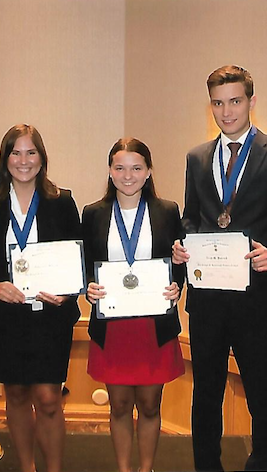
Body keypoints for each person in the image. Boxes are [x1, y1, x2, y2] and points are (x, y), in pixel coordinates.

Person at [172, 65, 267, 471]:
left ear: (251, 101)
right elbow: (192, 218)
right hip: (208, 301)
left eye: (235, 101)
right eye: (218, 102)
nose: (226, 112)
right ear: (209, 103)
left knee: (262, 396)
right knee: (205, 394)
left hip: (259, 301)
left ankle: (261, 463)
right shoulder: (196, 157)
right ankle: (206, 465)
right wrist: (184, 246)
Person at [0, 124, 81, 472]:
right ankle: (26, 466)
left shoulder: (62, 201)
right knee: (14, 395)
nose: (23, 160)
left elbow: (78, 256)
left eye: (31, 152)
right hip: (5, 318)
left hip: (50, 317)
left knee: (48, 398)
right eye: (16, 152)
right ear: (5, 159)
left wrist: (67, 291)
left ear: (42, 158)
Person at [83, 138, 185, 472]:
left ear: (148, 171)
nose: (128, 175)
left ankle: (146, 469)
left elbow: (179, 261)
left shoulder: (167, 210)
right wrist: (89, 288)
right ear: (110, 172)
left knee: (150, 405)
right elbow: (86, 265)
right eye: (120, 168)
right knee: (119, 405)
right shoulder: (94, 213)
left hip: (153, 325)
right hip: (113, 326)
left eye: (136, 168)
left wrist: (176, 286)